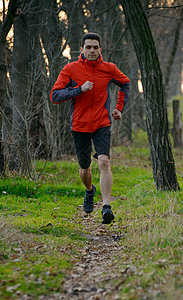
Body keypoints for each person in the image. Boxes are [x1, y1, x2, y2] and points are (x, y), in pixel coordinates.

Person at [50, 32, 130, 224]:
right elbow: (55, 95)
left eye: (95, 47)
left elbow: (125, 84)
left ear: (100, 49)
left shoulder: (109, 68)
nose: (92, 50)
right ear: (81, 49)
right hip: (79, 125)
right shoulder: (71, 69)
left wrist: (119, 108)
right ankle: (89, 191)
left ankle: (106, 207)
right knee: (85, 169)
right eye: (88, 47)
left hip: (102, 122)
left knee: (103, 161)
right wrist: (79, 89)